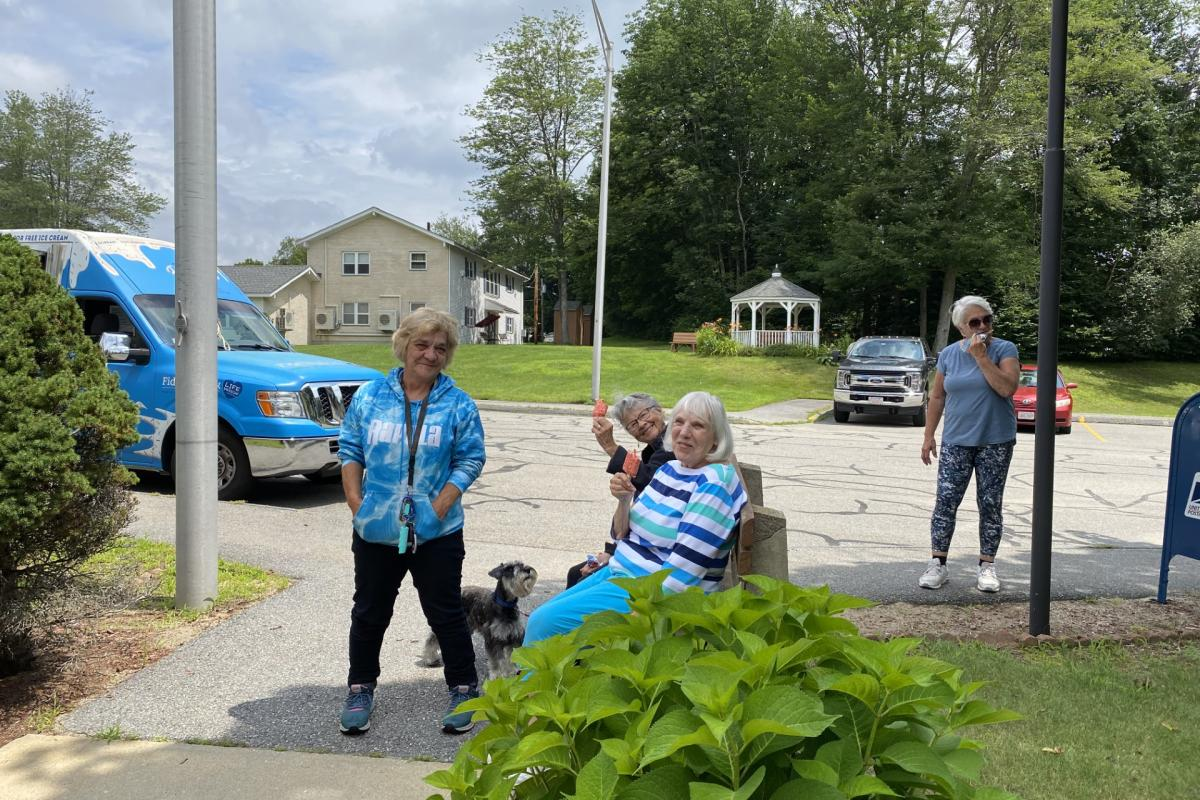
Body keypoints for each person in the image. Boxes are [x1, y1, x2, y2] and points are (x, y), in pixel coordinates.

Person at [336, 308, 486, 736]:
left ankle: (464, 688)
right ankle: (360, 688)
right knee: (369, 611)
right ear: (404, 345)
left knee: (446, 612)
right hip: (376, 528)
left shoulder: (458, 404)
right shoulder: (370, 397)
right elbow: (350, 448)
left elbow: (471, 458)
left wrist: (438, 508)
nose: (431, 355)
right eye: (422, 345)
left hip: (437, 532)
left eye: (440, 348)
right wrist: (355, 502)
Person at [525, 391, 747, 645]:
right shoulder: (671, 469)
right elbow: (620, 533)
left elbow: (685, 570)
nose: (684, 432)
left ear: (716, 437)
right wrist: (624, 500)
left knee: (542, 625)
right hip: (623, 572)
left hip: (650, 596)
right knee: (542, 617)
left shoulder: (713, 485)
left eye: (697, 426)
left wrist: (639, 619)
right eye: (679, 422)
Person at [919, 295, 1020, 593]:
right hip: (956, 441)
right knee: (946, 502)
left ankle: (986, 566)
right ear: (961, 328)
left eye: (987, 320)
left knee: (990, 504)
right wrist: (928, 435)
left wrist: (981, 358)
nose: (983, 326)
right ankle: (938, 563)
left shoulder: (1005, 349)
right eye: (974, 322)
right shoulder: (949, 355)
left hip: (995, 441)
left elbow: (1007, 388)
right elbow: (938, 397)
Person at [566, 393, 674, 587]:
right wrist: (612, 551)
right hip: (638, 546)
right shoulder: (652, 450)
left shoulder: (673, 444)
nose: (641, 424)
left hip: (656, 559)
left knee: (580, 577)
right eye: (632, 424)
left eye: (644, 414)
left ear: (659, 410)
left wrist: (610, 446)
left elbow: (648, 479)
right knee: (576, 573)